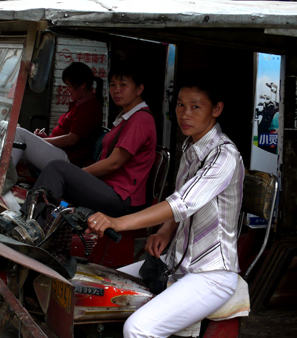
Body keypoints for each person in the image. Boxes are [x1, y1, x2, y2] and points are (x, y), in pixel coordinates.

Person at [87, 75, 245, 338]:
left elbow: (181, 204)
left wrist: (117, 222)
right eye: (180, 105)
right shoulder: (191, 146)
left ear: (216, 109)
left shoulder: (224, 156)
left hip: (210, 274)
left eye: (196, 106)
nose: (185, 114)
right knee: (97, 289)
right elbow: (183, 198)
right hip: (174, 263)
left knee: (138, 329)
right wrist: (164, 231)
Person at [27, 63, 157, 217]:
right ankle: (36, 218)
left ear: (139, 89)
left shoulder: (140, 119)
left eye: (123, 85)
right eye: (113, 85)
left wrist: (78, 174)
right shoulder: (126, 118)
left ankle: (31, 222)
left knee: (57, 168)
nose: (116, 90)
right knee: (55, 173)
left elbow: (114, 162)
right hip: (107, 187)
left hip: (120, 197)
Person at [12, 62, 103, 170]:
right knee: (17, 143)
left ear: (82, 85)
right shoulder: (79, 104)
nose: (67, 90)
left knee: (19, 134)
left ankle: (4, 176)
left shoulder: (90, 107)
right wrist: (46, 138)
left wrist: (42, 142)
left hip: (68, 159)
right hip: (59, 152)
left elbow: (71, 140)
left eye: (69, 86)